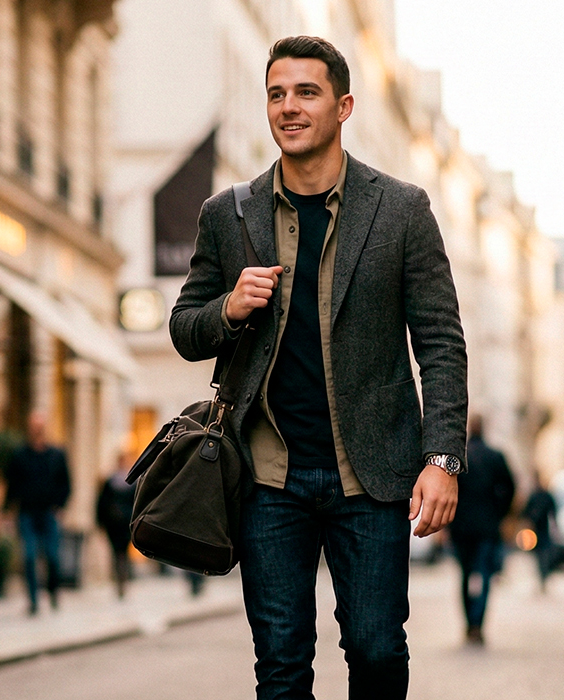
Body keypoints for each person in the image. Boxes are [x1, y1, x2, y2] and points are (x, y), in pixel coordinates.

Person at [169, 36, 467, 700]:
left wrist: (442, 458)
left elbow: (441, 342)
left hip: (372, 474)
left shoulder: (402, 210)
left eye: (306, 92)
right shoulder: (229, 214)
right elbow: (185, 328)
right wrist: (228, 309)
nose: (289, 107)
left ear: (343, 106)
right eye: (276, 94)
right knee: (280, 664)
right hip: (267, 477)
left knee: (377, 649)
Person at [447, 415, 514, 645]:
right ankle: (478, 623)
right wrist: (499, 512)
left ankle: (469, 623)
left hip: (461, 527)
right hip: (487, 526)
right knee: (484, 574)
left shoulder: (458, 458)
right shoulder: (495, 456)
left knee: (465, 575)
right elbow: (510, 487)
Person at [6, 411, 71, 615]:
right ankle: (33, 600)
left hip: (49, 513)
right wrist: (7, 511)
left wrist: (60, 506)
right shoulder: (20, 455)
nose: (37, 430)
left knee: (52, 556)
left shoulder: (56, 455)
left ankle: (53, 590)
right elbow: (12, 485)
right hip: (27, 513)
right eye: (34, 426)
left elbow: (66, 484)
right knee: (29, 556)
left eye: (40, 426)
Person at [95, 450, 135, 599]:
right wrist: (100, 522)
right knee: (116, 552)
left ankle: (122, 579)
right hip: (113, 523)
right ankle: (119, 579)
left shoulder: (133, 482)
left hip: (127, 523)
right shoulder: (110, 482)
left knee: (123, 552)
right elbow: (101, 503)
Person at [523, 473, 559, 590]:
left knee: (543, 554)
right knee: (540, 555)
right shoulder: (536, 496)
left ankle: (544, 577)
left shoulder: (543, 496)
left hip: (543, 529)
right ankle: (542, 577)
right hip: (536, 530)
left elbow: (553, 511)